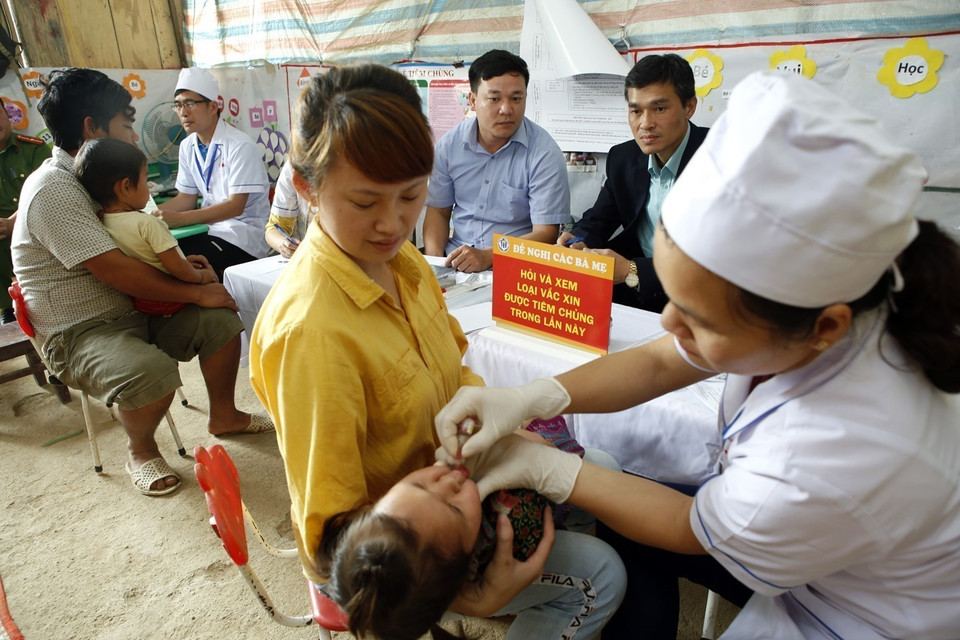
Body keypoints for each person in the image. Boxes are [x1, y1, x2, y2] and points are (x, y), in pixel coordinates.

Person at [435, 71, 960, 639]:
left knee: (628, 514)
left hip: (855, 614)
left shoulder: (830, 447)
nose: (668, 322)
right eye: (675, 298)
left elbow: (692, 527)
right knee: (621, 527)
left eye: (698, 317)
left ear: (825, 327)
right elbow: (663, 360)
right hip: (811, 555)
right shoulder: (816, 310)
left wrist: (547, 467)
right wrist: (530, 395)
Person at [249, 63, 625, 639]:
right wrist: (469, 592)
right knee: (601, 573)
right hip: (413, 544)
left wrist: (499, 428)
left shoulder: (404, 264)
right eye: (365, 201)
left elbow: (454, 366)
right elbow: (331, 542)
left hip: (462, 479)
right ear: (306, 187)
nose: (393, 223)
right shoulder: (311, 332)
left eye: (411, 196)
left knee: (603, 472)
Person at [10, 68, 273, 498]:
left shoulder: (96, 176)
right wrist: (193, 289)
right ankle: (141, 450)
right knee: (151, 372)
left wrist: (187, 271)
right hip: (81, 330)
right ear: (91, 129)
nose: (134, 138)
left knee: (222, 319)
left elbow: (138, 246)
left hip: (135, 309)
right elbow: (116, 269)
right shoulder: (55, 189)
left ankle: (224, 415)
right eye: (126, 125)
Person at [319, 418, 585, 640]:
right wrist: (536, 453)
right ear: (467, 565)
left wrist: (481, 425)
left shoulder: (445, 492)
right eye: (455, 508)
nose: (449, 480)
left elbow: (470, 422)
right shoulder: (507, 536)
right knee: (605, 571)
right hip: (542, 504)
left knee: (602, 464)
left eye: (418, 486)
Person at [557, 54, 707, 313]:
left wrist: (632, 270)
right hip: (642, 290)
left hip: (702, 293)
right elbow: (600, 218)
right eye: (635, 111)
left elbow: (715, 259)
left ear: (689, 107)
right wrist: (576, 239)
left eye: (659, 109)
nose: (645, 124)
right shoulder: (623, 158)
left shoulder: (722, 161)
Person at [423, 50, 569, 273]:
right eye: (494, 99)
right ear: (472, 100)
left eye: (516, 98)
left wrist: (490, 256)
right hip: (455, 265)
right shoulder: (449, 146)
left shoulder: (544, 153)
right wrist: (433, 266)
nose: (507, 109)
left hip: (517, 269)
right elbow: (438, 212)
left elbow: (546, 233)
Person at [74, 137, 218, 317]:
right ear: (126, 186)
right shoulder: (148, 223)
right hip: (172, 300)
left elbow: (148, 257)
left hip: (144, 302)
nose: (148, 188)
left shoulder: (102, 220)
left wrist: (183, 261)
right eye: (145, 179)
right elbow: (178, 269)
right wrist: (204, 277)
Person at [155, 67, 270, 279]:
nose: (183, 112)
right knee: (161, 254)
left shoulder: (239, 145)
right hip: (208, 229)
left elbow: (235, 207)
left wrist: (179, 220)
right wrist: (151, 216)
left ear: (212, 107)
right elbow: (186, 198)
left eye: (190, 103)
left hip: (242, 236)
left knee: (181, 262)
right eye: (178, 105)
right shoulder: (188, 146)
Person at [1, 96, 51, 323]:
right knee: (11, 321)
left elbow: (48, 193)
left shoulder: (33, 149)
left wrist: (14, 222)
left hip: (36, 241)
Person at [264, 159, 311, 258]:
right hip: (305, 258)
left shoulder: (346, 168)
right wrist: (283, 244)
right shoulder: (293, 167)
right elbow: (274, 227)